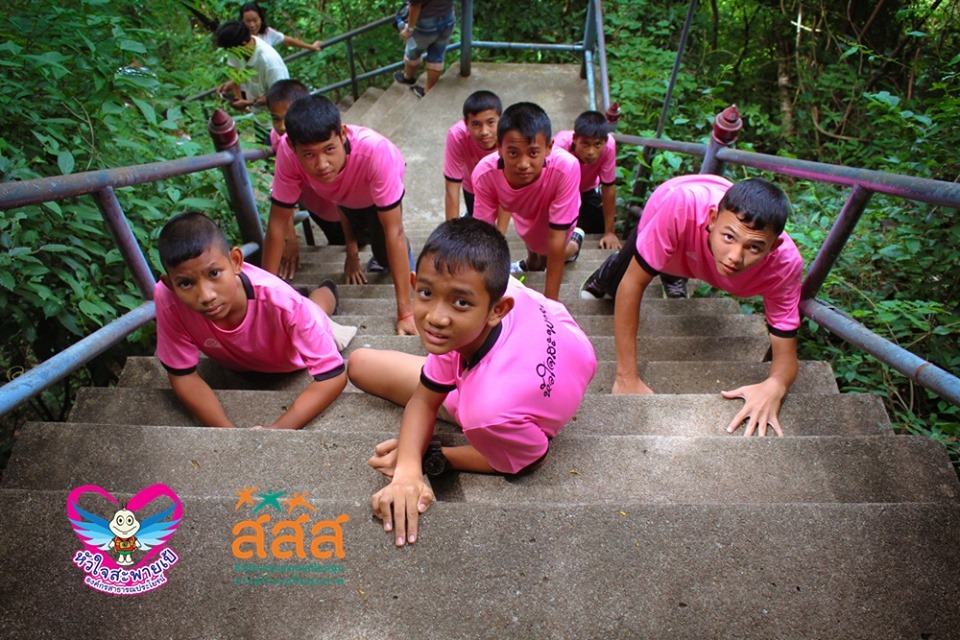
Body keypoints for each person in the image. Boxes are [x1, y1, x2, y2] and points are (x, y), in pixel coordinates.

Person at [348, 217, 597, 547]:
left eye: (460, 302)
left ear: (497, 310)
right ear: (414, 283)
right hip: (561, 344)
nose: (436, 317)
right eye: (426, 293)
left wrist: (431, 456)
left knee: (468, 406)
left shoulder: (486, 411)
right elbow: (423, 399)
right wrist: (407, 469)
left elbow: (534, 456)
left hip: (509, 398)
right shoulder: (503, 288)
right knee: (359, 364)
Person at [580, 174, 803, 436]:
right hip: (670, 209)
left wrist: (775, 385)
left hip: (690, 247)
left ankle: (671, 270)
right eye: (729, 237)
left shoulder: (784, 264)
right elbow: (633, 284)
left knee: (673, 263)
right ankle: (608, 271)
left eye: (754, 247)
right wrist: (626, 376)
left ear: (774, 247)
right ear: (712, 220)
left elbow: (786, 351)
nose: (735, 257)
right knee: (620, 276)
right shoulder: (680, 207)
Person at [154, 212, 350, 429]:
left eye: (214, 273)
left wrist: (275, 431)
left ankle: (326, 289)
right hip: (250, 351)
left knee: (316, 311)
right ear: (170, 284)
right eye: (185, 284)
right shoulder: (167, 297)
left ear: (236, 261)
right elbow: (182, 376)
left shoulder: (284, 302)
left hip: (290, 355)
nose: (206, 296)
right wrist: (230, 433)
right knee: (296, 307)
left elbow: (333, 376)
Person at [267, 94, 418, 335]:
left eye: (329, 149)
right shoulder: (287, 152)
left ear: (343, 134)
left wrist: (406, 313)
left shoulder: (375, 152)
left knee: (384, 251)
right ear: (292, 147)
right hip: (343, 196)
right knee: (354, 222)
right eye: (309, 154)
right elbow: (276, 226)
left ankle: (409, 265)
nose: (322, 164)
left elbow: (395, 230)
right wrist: (264, 301)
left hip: (377, 188)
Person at [472, 102, 584, 302]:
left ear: (549, 148)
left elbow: (556, 240)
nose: (523, 164)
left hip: (556, 209)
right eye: (513, 153)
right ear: (499, 148)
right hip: (524, 210)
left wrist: (550, 303)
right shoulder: (484, 175)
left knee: (550, 250)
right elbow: (483, 239)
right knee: (532, 237)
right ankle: (532, 262)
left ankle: (575, 243)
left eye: (533, 153)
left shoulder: (566, 168)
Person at [265, 80, 345, 247]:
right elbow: (282, 189)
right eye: (276, 119)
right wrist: (289, 235)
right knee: (337, 240)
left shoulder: (328, 136)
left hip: (343, 205)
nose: (282, 127)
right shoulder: (275, 140)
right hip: (317, 207)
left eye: (287, 118)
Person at [552, 111, 622, 250]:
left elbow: (608, 187)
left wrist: (609, 232)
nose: (591, 152)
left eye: (597, 145)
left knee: (596, 225)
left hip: (586, 189)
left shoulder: (609, 146)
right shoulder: (558, 147)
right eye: (585, 144)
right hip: (559, 193)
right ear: (575, 139)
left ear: (604, 142)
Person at [443, 90, 502, 220]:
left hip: (504, 186)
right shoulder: (457, 136)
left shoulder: (511, 135)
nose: (484, 132)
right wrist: (452, 230)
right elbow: (452, 191)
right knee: (476, 221)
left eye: (490, 122)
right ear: (466, 124)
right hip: (473, 186)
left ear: (501, 120)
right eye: (476, 124)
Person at [214, 20, 289, 111]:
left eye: (229, 50)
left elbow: (280, 96)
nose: (229, 54)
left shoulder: (269, 63)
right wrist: (232, 83)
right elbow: (243, 72)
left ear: (243, 45)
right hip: (258, 113)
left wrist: (249, 103)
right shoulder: (242, 47)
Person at [393, 0, 456, 98]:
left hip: (426, 23)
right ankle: (428, 90)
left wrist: (409, 30)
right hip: (448, 17)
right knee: (437, 56)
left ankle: (408, 77)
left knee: (413, 51)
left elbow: (415, 5)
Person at [240, 2, 322, 52]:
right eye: (248, 21)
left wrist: (310, 46)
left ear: (261, 18)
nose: (252, 25)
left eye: (255, 20)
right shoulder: (239, 37)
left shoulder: (267, 32)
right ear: (243, 21)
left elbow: (288, 40)